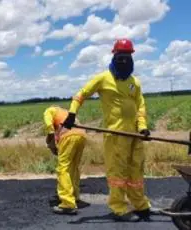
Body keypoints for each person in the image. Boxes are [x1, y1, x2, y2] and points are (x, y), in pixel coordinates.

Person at [62, 39, 152, 221]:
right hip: (116, 135)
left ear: (132, 58)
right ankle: (119, 208)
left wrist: (142, 127)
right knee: (117, 174)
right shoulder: (103, 78)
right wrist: (72, 114)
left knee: (136, 172)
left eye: (127, 57)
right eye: (120, 57)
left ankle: (140, 204)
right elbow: (81, 94)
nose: (124, 61)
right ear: (114, 56)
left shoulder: (135, 82)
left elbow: (140, 106)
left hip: (135, 135)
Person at [43, 105, 90, 215]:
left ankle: (67, 203)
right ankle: (75, 197)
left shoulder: (49, 110)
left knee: (63, 168)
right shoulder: (66, 112)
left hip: (68, 136)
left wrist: (51, 142)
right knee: (73, 167)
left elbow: (50, 130)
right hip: (82, 135)